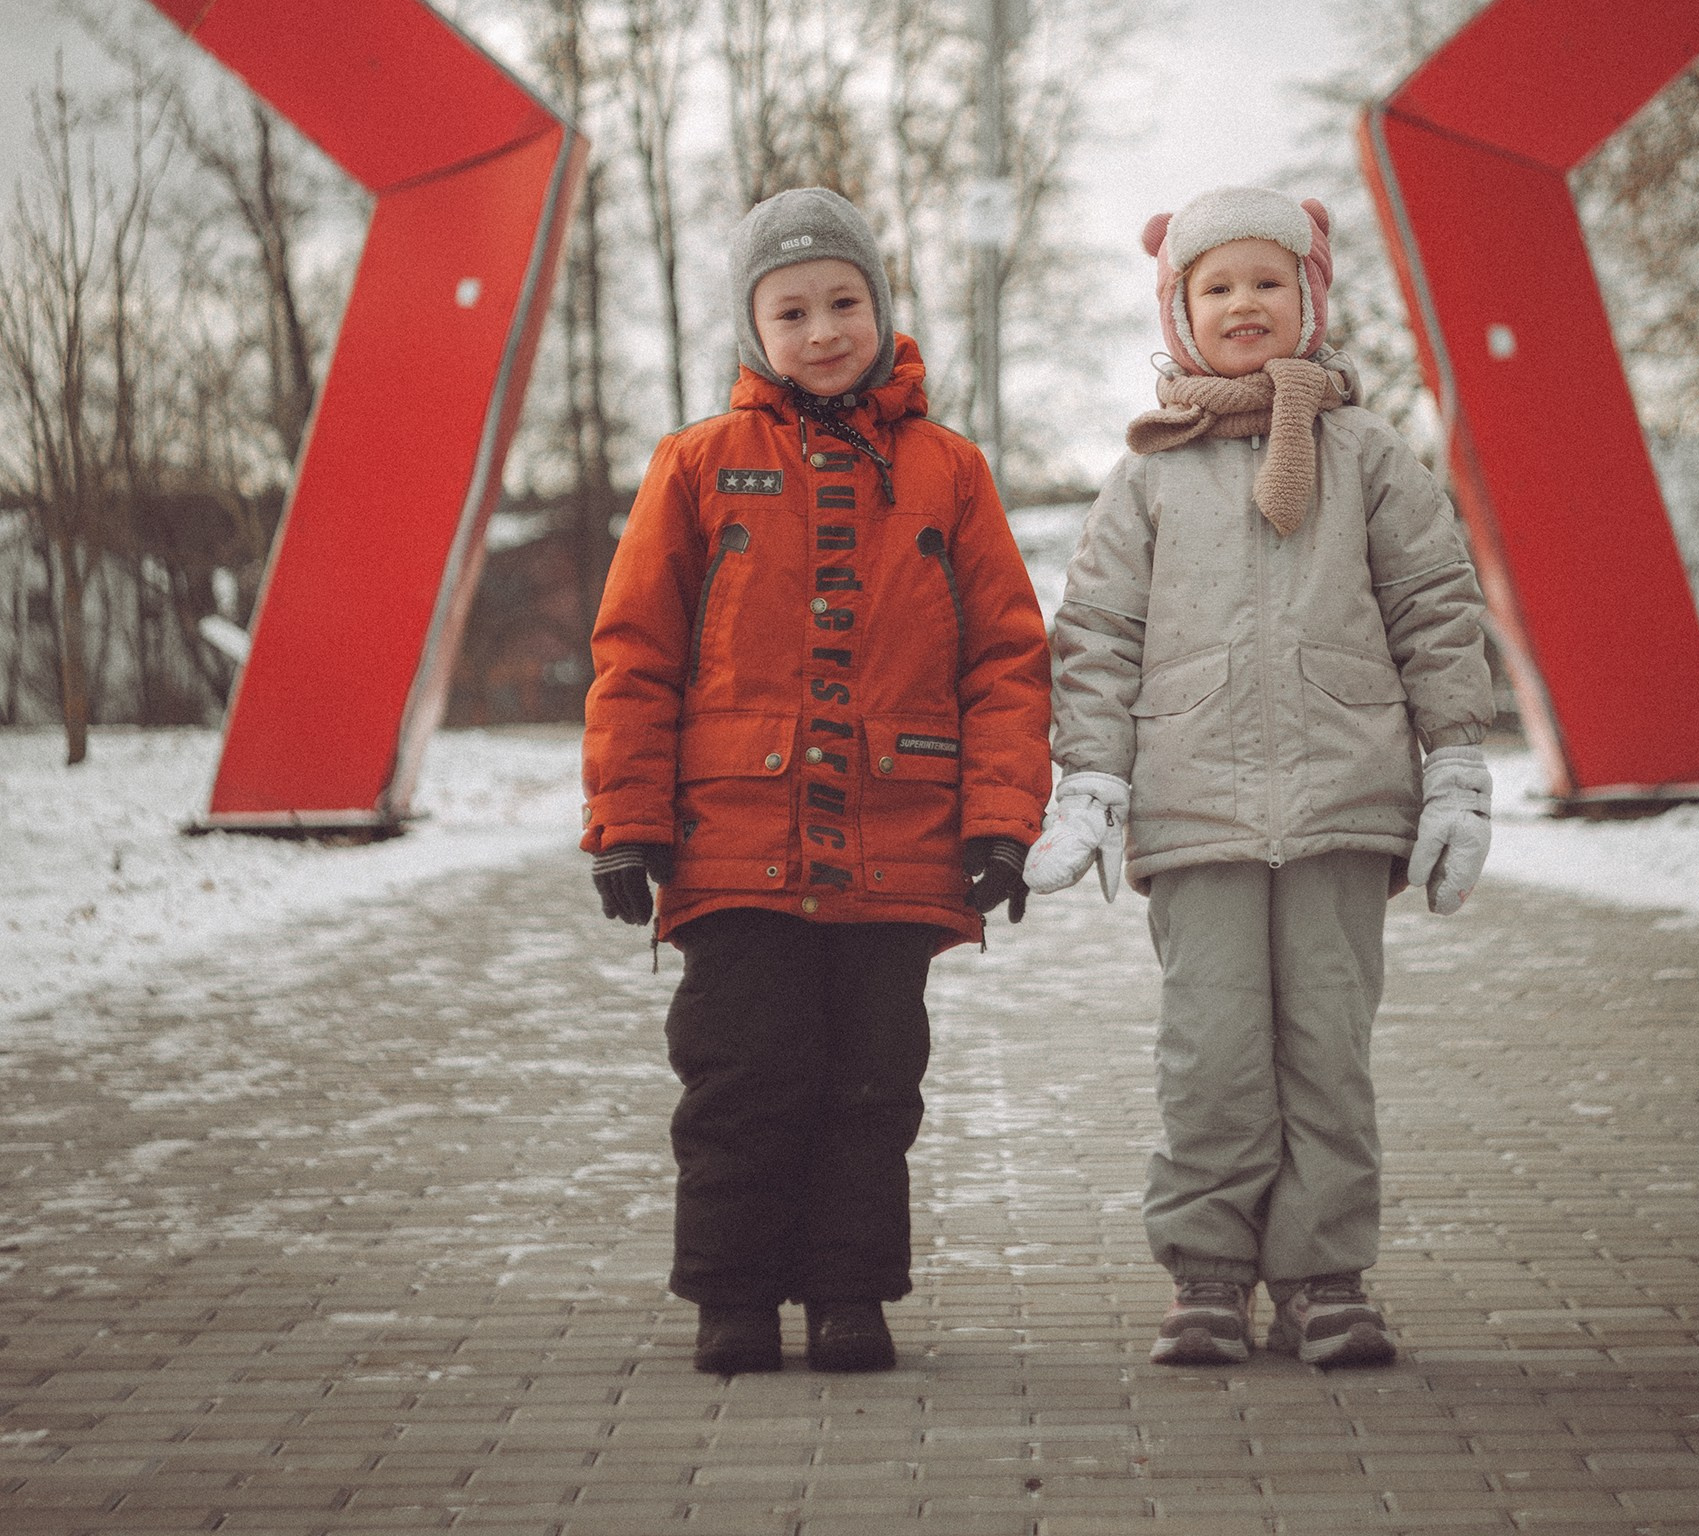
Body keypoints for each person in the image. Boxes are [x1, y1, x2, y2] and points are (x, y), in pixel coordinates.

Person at [582, 186, 1051, 1378]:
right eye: (791, 309)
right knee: (741, 1076)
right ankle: (731, 1298)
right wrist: (626, 824)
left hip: (896, 849)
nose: (823, 328)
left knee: (868, 1085)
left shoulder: (947, 470)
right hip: (730, 845)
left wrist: (1000, 821)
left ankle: (849, 1295)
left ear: (882, 309)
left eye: (845, 300)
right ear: (753, 329)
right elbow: (636, 652)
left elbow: (1005, 657)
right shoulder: (696, 464)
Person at [1026, 186, 1493, 1370]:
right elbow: (1094, 632)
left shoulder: (1369, 457)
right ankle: (1208, 1273)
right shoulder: (1147, 476)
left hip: (1342, 802)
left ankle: (1323, 1276)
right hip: (1197, 814)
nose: (1244, 303)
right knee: (1211, 1054)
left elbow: (1434, 609)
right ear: (1179, 311)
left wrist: (1454, 769)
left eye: (1267, 282)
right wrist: (1091, 776)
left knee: (1326, 1052)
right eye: (1216, 285)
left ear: (1311, 301)